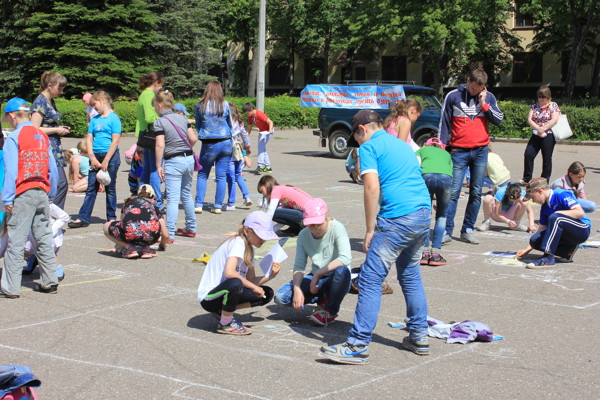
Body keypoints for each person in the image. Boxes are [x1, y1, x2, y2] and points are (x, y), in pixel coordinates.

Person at [320, 110, 432, 365]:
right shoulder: (402, 145)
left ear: (362, 129)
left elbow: (371, 187)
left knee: (370, 279)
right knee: (410, 274)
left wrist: (370, 229)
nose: (357, 144)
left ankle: (358, 345)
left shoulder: (369, 147)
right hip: (423, 214)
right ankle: (419, 335)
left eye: (356, 138)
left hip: (398, 218)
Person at [0, 98, 59, 298]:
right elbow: (53, 169)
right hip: (41, 191)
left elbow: (11, 172)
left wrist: (7, 198)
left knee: (16, 240)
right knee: (43, 238)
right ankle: (50, 280)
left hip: (22, 193)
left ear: (11, 115)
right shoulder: (41, 135)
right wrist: (50, 193)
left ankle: (10, 287)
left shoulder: (14, 138)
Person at [438, 68, 504, 245]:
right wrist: (441, 149)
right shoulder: (453, 96)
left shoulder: (488, 97)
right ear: (468, 80)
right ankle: (446, 230)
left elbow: (498, 119)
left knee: (476, 192)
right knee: (453, 193)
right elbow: (443, 123)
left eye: (478, 90)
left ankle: (467, 229)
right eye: (473, 89)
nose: (475, 92)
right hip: (458, 151)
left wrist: (484, 104)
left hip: (481, 151)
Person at [197, 211, 281, 335]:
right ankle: (226, 323)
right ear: (247, 230)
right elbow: (229, 274)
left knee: (266, 293)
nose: (263, 239)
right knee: (235, 282)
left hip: (226, 293)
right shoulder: (238, 242)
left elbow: (250, 281)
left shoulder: (250, 249)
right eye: (260, 235)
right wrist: (253, 287)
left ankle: (224, 311)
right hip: (209, 297)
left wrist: (270, 276)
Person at [274, 198, 352, 325]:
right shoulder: (304, 235)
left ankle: (330, 311)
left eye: (318, 224)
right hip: (316, 279)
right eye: (310, 225)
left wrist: (317, 274)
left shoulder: (337, 228)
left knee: (341, 271)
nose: (315, 229)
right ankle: (321, 298)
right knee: (281, 298)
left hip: (336, 276)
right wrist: (298, 289)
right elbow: (299, 266)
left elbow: (345, 258)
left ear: (327, 216)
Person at [68, 91, 121, 228]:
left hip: (110, 156)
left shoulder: (114, 119)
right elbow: (89, 138)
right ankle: (83, 217)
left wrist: (106, 161)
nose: (93, 107)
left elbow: (115, 142)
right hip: (95, 156)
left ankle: (111, 218)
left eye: (95, 104)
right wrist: (92, 157)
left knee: (110, 188)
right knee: (92, 187)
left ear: (102, 100)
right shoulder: (95, 119)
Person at [153, 90, 197, 243]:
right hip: (189, 159)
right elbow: (193, 138)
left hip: (173, 160)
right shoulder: (182, 118)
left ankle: (169, 233)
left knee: (172, 199)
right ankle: (191, 228)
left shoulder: (159, 122)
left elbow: (160, 144)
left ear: (159, 105)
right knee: (186, 194)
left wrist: (159, 165)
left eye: (155, 107)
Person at [517, 178, 591, 269]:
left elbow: (579, 213)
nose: (533, 201)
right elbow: (541, 229)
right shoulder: (544, 207)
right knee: (535, 240)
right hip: (567, 233)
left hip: (582, 229)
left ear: (540, 191)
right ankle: (567, 250)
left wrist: (557, 214)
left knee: (556, 218)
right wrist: (527, 249)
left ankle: (548, 258)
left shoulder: (561, 194)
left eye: (533, 197)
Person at [31, 71, 70, 210]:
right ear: (49, 85)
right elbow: (34, 128)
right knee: (59, 184)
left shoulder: (50, 101)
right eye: (59, 88)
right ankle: (52, 217)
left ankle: (51, 217)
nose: (61, 91)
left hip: (54, 146)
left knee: (59, 184)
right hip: (46, 148)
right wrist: (56, 130)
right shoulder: (40, 102)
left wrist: (59, 129)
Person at [194, 82, 233, 215]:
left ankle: (199, 204)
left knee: (203, 174)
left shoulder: (200, 105)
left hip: (209, 143)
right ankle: (217, 206)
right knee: (221, 176)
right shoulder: (225, 104)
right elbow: (230, 124)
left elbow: (198, 125)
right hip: (226, 141)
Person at [103, 184, 169, 259]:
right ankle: (146, 249)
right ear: (153, 197)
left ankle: (130, 248)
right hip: (151, 237)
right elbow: (165, 235)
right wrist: (162, 246)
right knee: (149, 228)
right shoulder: (155, 207)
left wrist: (118, 246)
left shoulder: (128, 203)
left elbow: (123, 225)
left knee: (106, 226)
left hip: (130, 234)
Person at [415, 137, 452, 266]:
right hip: (446, 179)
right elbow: (449, 171)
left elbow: (415, 165)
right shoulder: (446, 154)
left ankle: (424, 252)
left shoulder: (422, 151)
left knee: (425, 212)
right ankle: (436, 252)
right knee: (442, 215)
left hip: (427, 176)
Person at [136, 72, 165, 210]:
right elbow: (149, 117)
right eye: (161, 85)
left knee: (147, 169)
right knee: (155, 169)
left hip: (145, 135)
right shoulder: (149, 95)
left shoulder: (143, 94)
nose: (160, 88)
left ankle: (143, 198)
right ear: (156, 83)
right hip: (152, 135)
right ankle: (157, 202)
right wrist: (164, 120)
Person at [521, 86, 560, 184]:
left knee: (546, 158)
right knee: (528, 154)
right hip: (536, 134)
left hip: (548, 135)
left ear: (548, 97)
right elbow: (529, 119)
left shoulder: (553, 105)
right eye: (539, 96)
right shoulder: (534, 106)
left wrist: (543, 128)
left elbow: (554, 119)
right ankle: (527, 178)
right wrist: (538, 128)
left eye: (543, 97)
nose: (541, 99)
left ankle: (544, 180)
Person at [225, 103, 253, 211]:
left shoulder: (227, 123)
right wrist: (247, 149)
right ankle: (247, 196)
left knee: (231, 177)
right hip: (239, 151)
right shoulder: (239, 123)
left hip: (229, 151)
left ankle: (231, 203)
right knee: (238, 175)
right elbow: (245, 137)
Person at [243, 102, 274, 174]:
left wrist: (269, 131)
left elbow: (270, 122)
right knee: (262, 148)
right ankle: (268, 167)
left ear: (251, 110)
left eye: (247, 113)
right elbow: (249, 128)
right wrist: (246, 137)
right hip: (262, 132)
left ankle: (260, 166)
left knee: (260, 147)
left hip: (267, 132)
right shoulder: (250, 117)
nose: (247, 115)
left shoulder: (259, 114)